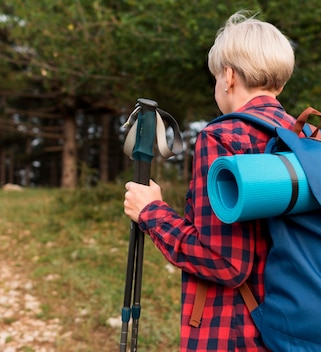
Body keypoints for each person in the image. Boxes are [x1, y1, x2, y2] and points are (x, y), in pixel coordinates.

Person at [124, 11, 298, 352]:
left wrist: (151, 213)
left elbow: (225, 262)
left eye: (216, 76)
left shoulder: (223, 137)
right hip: (295, 328)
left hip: (237, 331)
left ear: (229, 76)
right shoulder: (308, 136)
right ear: (280, 82)